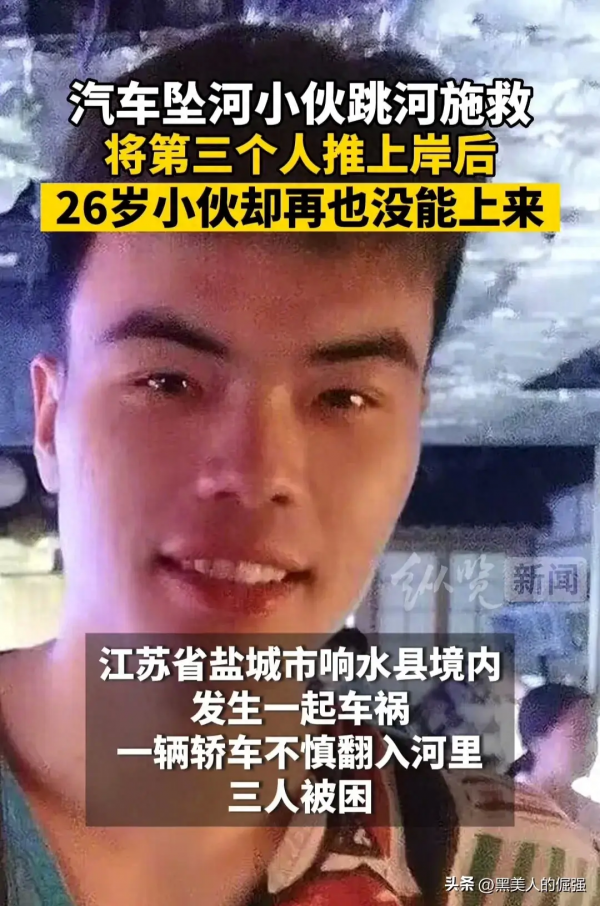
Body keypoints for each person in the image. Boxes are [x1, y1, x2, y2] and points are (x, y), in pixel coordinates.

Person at [0, 21, 597, 906]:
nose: (258, 472)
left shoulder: (518, 879)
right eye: (168, 381)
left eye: (344, 397)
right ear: (50, 423)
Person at [507, 683, 600, 831]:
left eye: (592, 733)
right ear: (535, 741)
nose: (590, 744)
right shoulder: (501, 809)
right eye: (579, 733)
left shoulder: (594, 816)